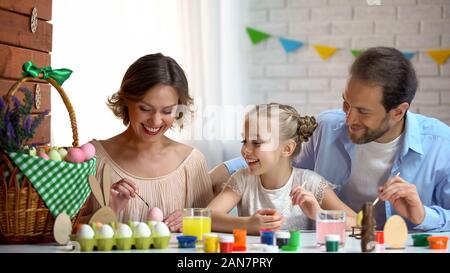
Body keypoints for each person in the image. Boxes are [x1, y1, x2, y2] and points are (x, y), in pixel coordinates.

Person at [215, 47, 450, 232]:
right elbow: (286, 165)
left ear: (398, 112)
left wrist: (422, 215)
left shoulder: (440, 144)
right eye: (346, 103)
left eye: (363, 112)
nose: (348, 119)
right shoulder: (328, 127)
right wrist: (216, 172)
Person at [83, 53, 214, 231]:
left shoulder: (192, 163)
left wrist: (195, 221)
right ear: (126, 100)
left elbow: (209, 231)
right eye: (145, 109)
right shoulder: (93, 158)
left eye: (167, 111)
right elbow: (63, 232)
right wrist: (109, 210)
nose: (156, 121)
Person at [207, 103, 356, 235]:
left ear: (287, 148)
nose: (245, 149)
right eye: (244, 141)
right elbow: (206, 217)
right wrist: (247, 225)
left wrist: (320, 214)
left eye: (256, 142)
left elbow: (359, 222)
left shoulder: (311, 183)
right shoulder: (243, 179)